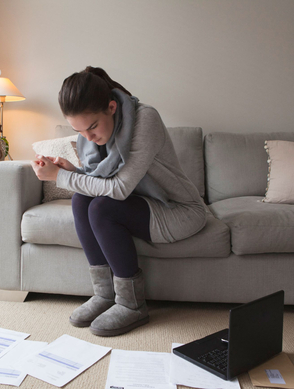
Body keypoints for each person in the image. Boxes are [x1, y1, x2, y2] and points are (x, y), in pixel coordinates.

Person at [31, 66, 207, 337]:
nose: (88, 138)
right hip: (141, 204)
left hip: (178, 210)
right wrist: (71, 171)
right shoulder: (95, 132)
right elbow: (100, 183)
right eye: (80, 131)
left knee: (102, 208)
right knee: (81, 200)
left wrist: (60, 177)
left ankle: (132, 303)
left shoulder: (145, 119)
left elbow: (120, 188)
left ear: (112, 107)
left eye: (91, 127)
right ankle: (105, 294)